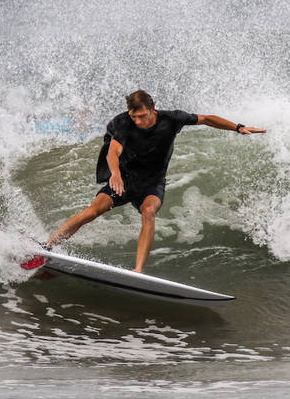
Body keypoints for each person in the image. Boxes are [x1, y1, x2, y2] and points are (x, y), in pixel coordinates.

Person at [41, 89, 266, 273]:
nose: (137, 121)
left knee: (148, 212)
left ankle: (137, 271)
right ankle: (48, 246)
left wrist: (238, 127)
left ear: (152, 109)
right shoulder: (123, 123)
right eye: (133, 116)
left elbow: (206, 119)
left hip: (152, 183)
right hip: (125, 178)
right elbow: (112, 152)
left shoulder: (171, 119)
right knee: (93, 211)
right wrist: (116, 175)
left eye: (141, 116)